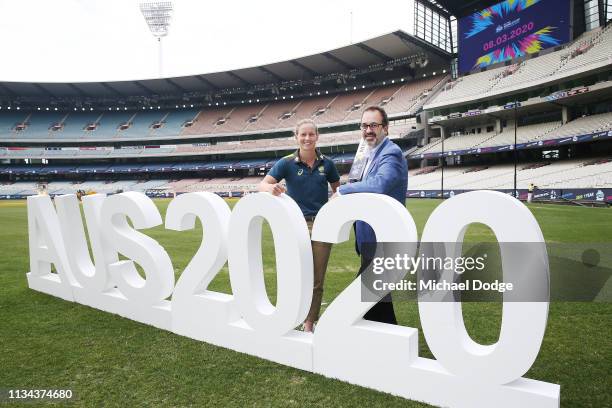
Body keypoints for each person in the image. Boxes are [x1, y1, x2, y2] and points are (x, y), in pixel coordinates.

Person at [258, 118, 340, 332]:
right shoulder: (286, 163)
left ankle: (310, 322)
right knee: (295, 274)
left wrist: (334, 203)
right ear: (296, 137)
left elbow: (338, 191)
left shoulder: (328, 164)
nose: (307, 138)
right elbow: (263, 184)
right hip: (295, 225)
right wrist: (272, 188)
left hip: (323, 226)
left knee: (317, 278)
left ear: (317, 136)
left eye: (311, 134)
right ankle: (291, 314)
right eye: (302, 134)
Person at [331, 106, 408, 325]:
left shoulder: (390, 152)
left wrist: (342, 191)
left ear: (385, 128)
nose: (368, 130)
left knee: (365, 298)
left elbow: (380, 184)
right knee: (377, 301)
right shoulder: (367, 153)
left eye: (373, 125)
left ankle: (370, 339)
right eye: (364, 126)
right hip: (370, 237)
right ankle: (387, 343)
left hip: (383, 238)